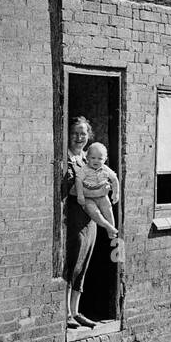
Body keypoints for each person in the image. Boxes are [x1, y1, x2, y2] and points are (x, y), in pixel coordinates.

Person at [62, 117, 98, 329]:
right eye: (75, 133)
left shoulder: (87, 159)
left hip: (89, 220)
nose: (79, 138)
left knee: (83, 265)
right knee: (72, 263)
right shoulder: (66, 159)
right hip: (73, 219)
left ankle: (75, 311)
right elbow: (71, 189)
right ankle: (66, 312)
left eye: (83, 133)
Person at [75, 141, 120, 235]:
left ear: (105, 159)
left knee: (108, 209)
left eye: (100, 158)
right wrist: (80, 195)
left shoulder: (105, 168)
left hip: (102, 196)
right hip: (88, 197)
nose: (96, 161)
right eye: (93, 158)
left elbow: (114, 179)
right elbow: (78, 181)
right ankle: (108, 226)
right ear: (87, 158)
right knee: (94, 212)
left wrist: (116, 193)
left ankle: (111, 232)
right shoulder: (84, 169)